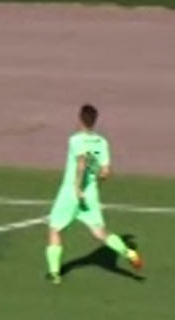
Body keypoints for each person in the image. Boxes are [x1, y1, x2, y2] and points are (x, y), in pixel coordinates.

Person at [44, 104, 143, 283]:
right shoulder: (102, 143)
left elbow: (81, 162)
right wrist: (94, 182)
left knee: (55, 228)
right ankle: (128, 252)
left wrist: (77, 188)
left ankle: (54, 274)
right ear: (94, 121)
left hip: (71, 194)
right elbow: (105, 172)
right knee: (100, 232)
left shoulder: (75, 140)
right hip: (91, 194)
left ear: (80, 119)